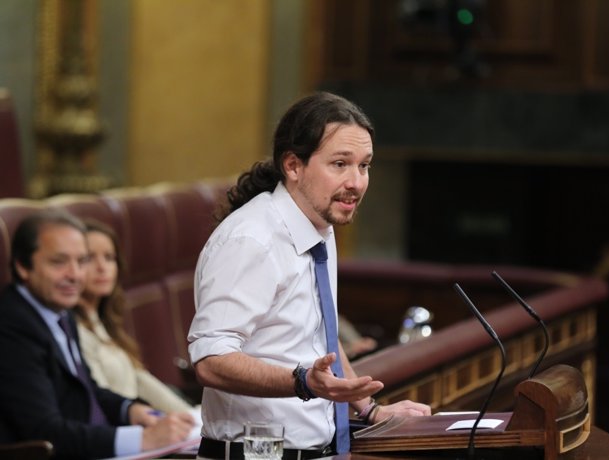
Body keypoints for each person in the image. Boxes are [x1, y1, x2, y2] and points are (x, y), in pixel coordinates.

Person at [188, 91, 431, 459]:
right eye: (340, 164)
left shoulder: (319, 225)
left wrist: (371, 409)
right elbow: (210, 359)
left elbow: (322, 338)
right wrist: (302, 382)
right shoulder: (252, 240)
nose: (357, 182)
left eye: (364, 166)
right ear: (293, 165)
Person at [0, 209, 195, 459]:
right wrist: (143, 439)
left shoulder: (60, 312)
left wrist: (129, 410)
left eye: (81, 261)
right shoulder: (11, 327)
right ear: (22, 266)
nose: (75, 275)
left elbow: (86, 390)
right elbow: (43, 431)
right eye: (59, 262)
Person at [75, 218, 194, 413]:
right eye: (89, 258)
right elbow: (100, 399)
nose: (102, 267)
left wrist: (190, 419)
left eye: (109, 257)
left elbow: (139, 379)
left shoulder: (103, 322)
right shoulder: (73, 329)